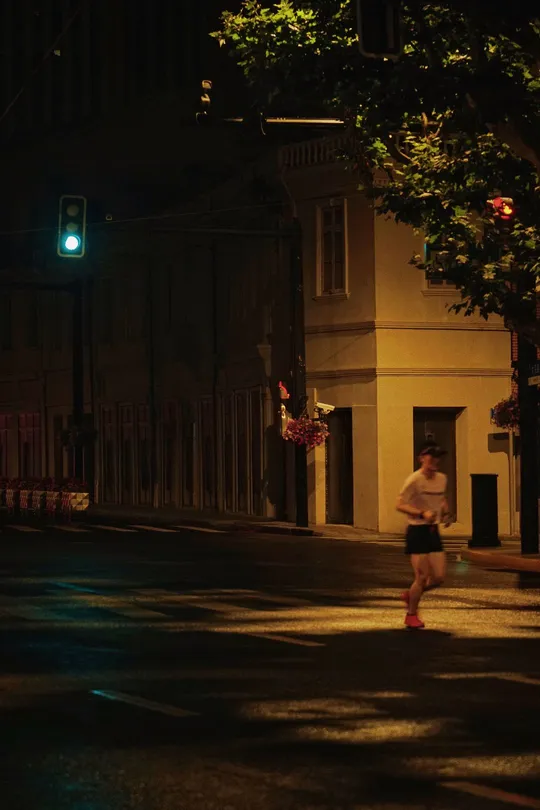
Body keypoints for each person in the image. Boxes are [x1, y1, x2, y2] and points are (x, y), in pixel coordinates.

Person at [396, 442, 452, 629]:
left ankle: (411, 595)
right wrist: (422, 513)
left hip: (433, 531)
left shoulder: (442, 478)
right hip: (417, 531)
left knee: (438, 578)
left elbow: (440, 498)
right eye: (431, 456)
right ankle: (411, 615)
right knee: (421, 576)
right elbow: (400, 504)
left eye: (438, 457)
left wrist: (446, 511)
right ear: (422, 458)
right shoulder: (414, 480)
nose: (435, 460)